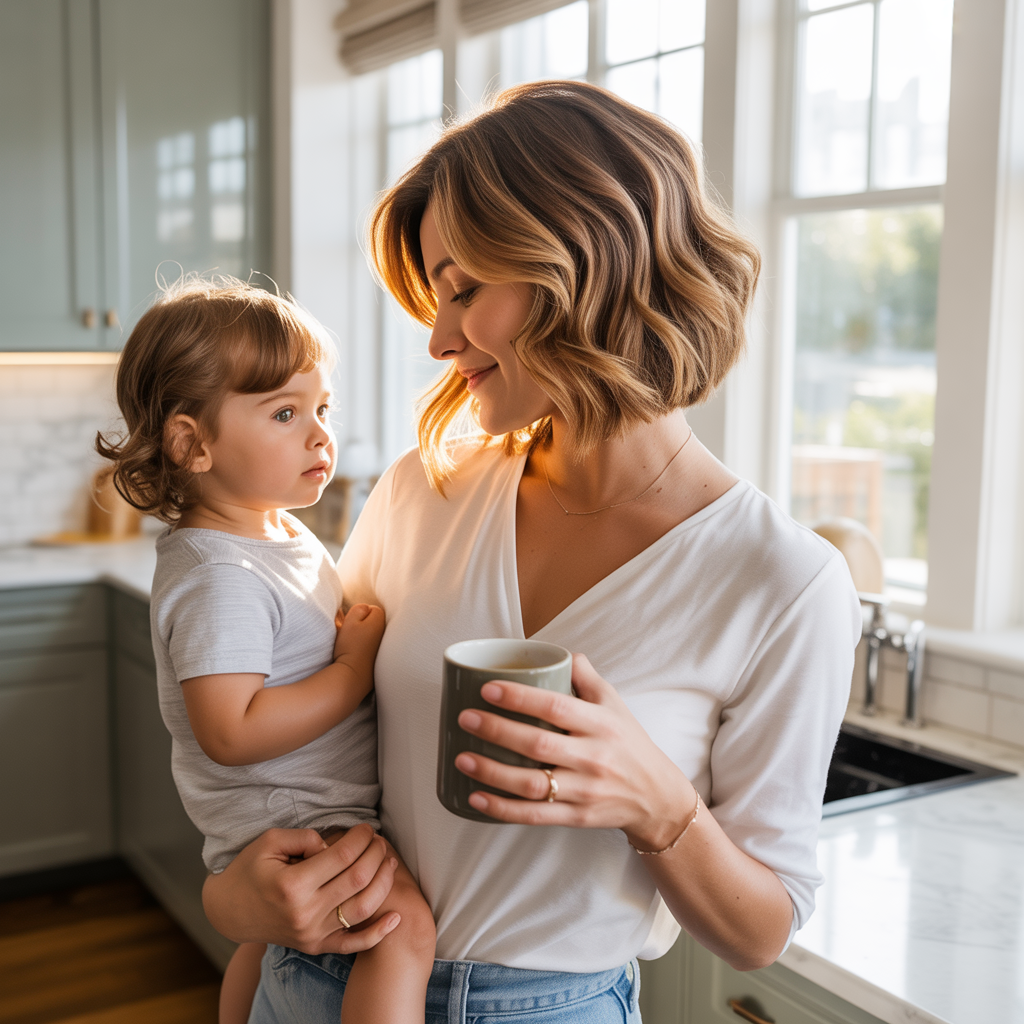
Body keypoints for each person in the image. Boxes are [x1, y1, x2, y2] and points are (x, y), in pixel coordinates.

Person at [202, 81, 862, 1023]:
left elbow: (761, 931)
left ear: (589, 265)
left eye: (464, 290)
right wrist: (233, 898)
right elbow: (297, 750)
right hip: (315, 982)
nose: (439, 338)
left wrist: (656, 803)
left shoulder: (782, 582)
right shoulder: (422, 492)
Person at [95, 279, 436, 1024]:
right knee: (403, 930)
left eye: (322, 409)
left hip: (296, 810)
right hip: (297, 816)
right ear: (193, 443)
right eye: (285, 413)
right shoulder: (220, 573)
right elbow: (232, 730)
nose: (319, 435)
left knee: (260, 946)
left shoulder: (268, 529)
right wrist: (351, 670)